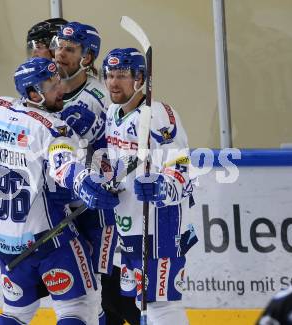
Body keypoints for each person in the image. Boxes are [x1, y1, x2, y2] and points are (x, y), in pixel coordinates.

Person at [0, 56, 120, 325]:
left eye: (58, 81)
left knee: (15, 313)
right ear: (32, 93)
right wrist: (86, 184)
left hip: (6, 245)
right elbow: (64, 166)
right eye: (52, 85)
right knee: (80, 308)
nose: (60, 89)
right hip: (49, 242)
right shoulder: (52, 128)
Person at [102, 48, 198, 325]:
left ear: (140, 78)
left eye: (121, 75)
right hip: (130, 221)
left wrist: (163, 186)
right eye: (109, 75)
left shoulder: (159, 115)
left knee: (160, 304)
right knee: (141, 301)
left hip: (162, 222)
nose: (113, 82)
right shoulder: (112, 113)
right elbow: (115, 163)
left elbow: (181, 165)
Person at [50, 22, 117, 325]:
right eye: (59, 46)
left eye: (70, 49)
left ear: (87, 58)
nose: (60, 54)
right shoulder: (47, 89)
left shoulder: (99, 97)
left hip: (95, 208)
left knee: (99, 292)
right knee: (80, 291)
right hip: (63, 204)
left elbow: (116, 153)